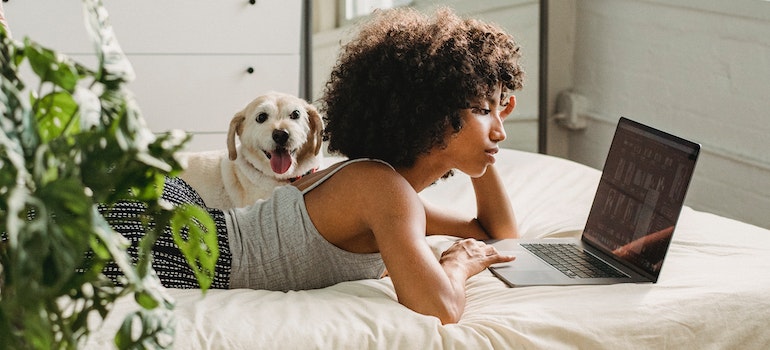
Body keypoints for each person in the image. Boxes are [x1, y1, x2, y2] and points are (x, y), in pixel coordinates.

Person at [101, 6, 525, 325]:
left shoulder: (386, 191)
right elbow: (441, 308)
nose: (499, 129)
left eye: (497, 112)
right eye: (482, 110)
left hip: (186, 223)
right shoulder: (382, 190)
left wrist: (486, 144)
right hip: (175, 240)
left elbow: (498, 235)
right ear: (431, 113)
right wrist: (457, 263)